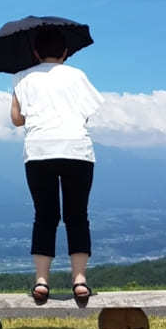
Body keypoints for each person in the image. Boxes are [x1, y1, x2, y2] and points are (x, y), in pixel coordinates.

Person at [10, 27, 104, 306]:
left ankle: (41, 281)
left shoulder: (22, 78)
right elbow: (86, 114)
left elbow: (16, 119)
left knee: (45, 216)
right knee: (77, 215)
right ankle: (79, 280)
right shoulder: (77, 76)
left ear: (36, 52)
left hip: (39, 151)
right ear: (65, 52)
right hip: (77, 150)